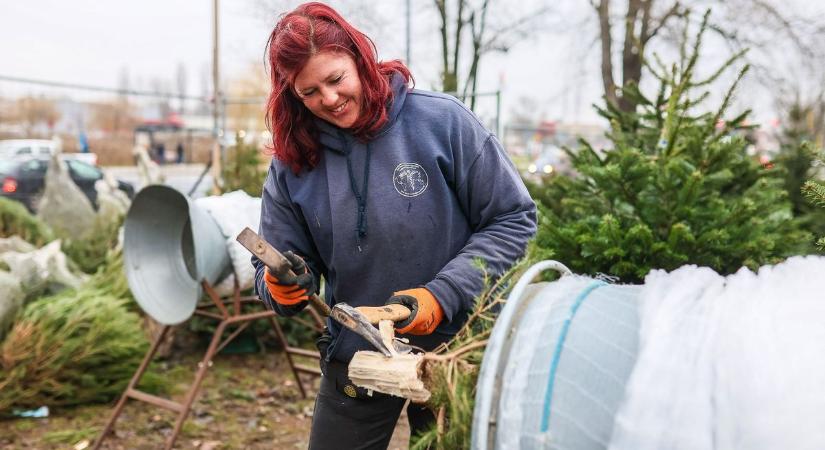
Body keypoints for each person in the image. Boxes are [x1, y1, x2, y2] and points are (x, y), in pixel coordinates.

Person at [252, 3, 537, 449]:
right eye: (309, 92)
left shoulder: (441, 122)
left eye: (336, 79)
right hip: (357, 352)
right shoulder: (294, 163)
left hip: (454, 349)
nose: (328, 99)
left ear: (360, 61)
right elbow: (275, 265)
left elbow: (513, 218)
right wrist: (281, 285)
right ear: (291, 94)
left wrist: (442, 296)